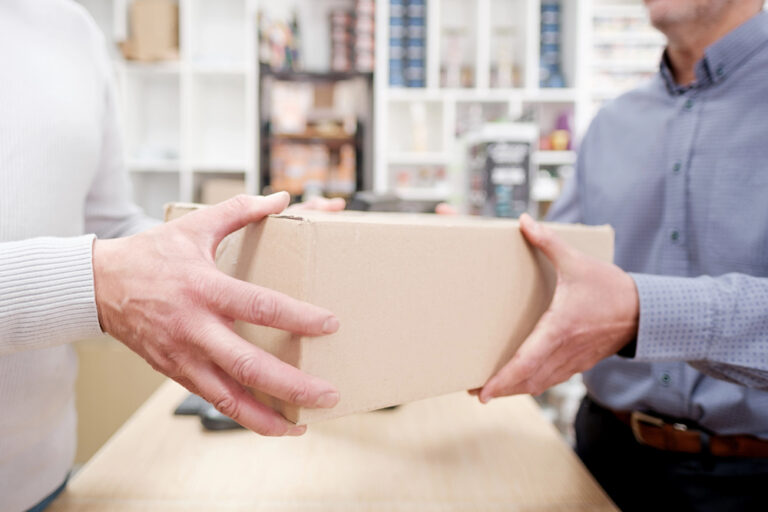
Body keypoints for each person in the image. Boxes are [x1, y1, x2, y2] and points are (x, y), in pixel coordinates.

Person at [0, 2, 345, 511]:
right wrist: (95, 283)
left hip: (44, 479)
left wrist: (256, 252)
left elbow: (110, 228)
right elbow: (103, 268)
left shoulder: (71, 28)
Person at [468, 1, 768, 510]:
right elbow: (554, 270)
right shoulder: (613, 123)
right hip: (602, 453)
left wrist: (643, 311)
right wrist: (466, 258)